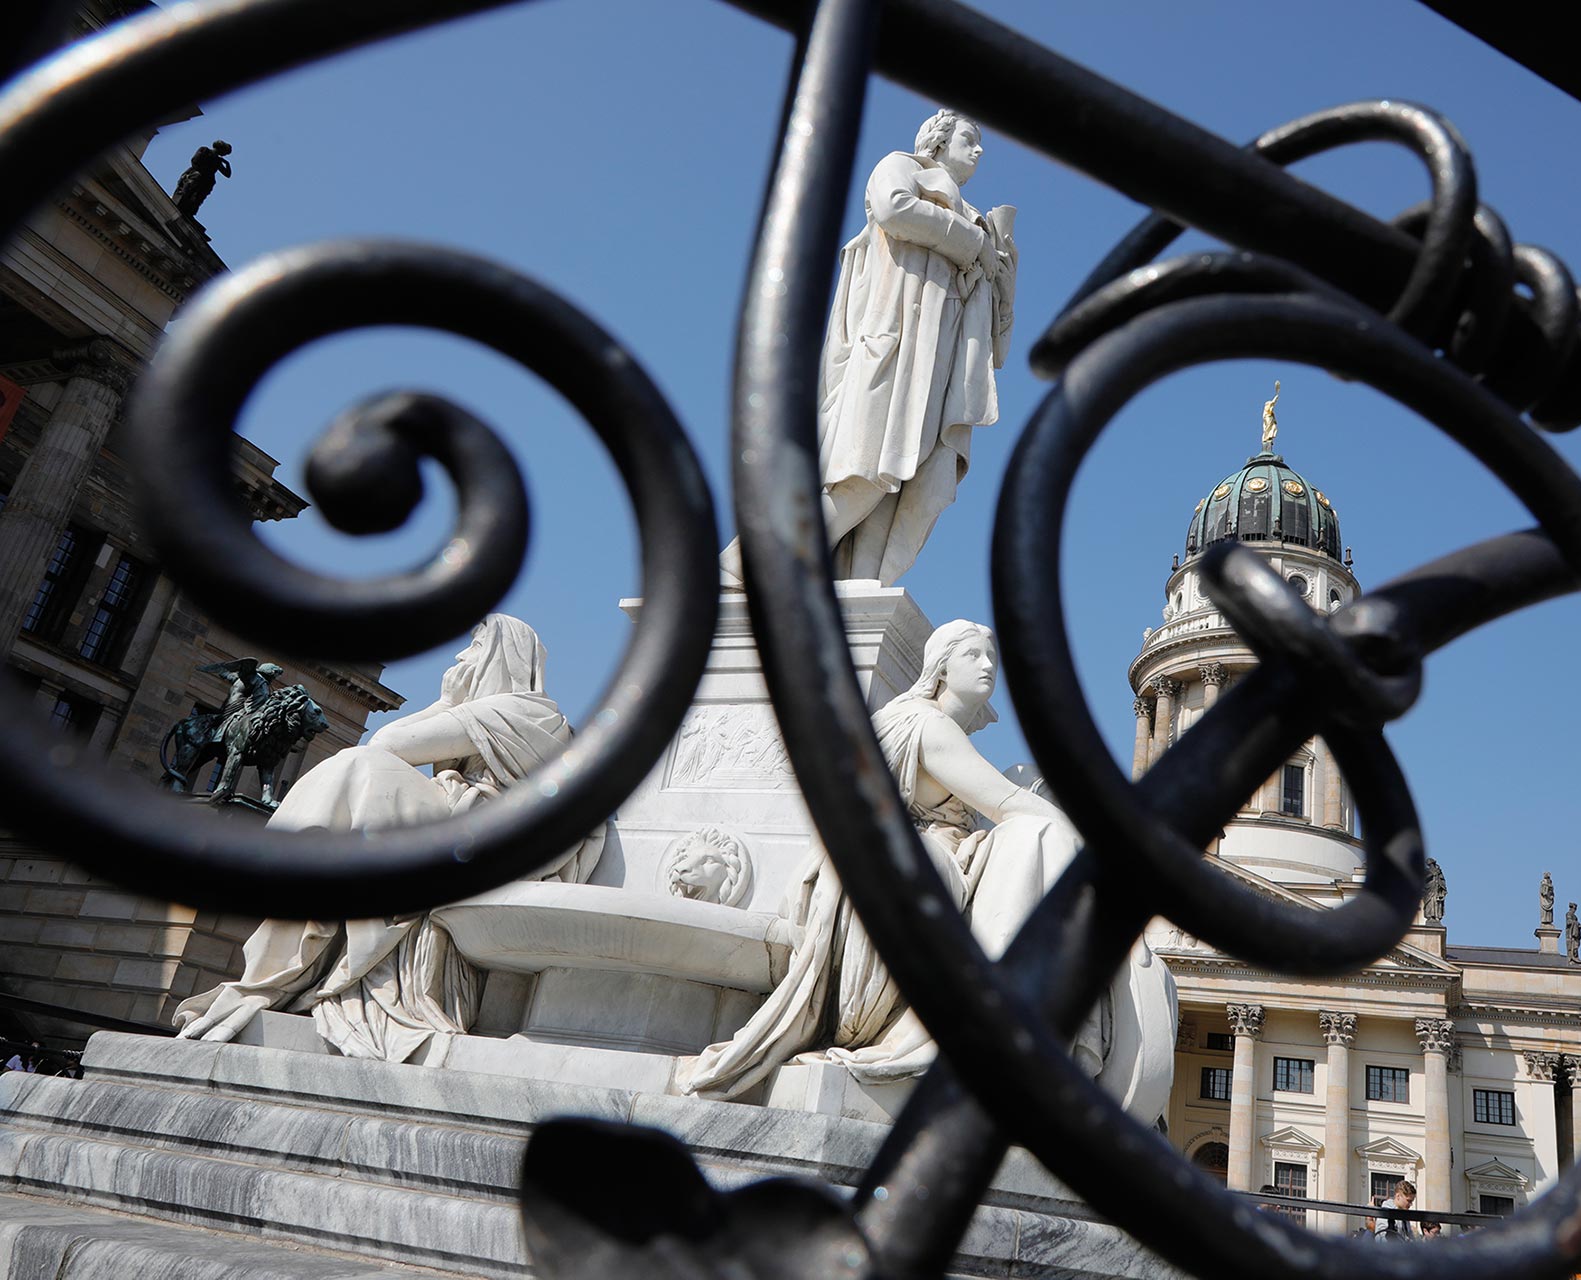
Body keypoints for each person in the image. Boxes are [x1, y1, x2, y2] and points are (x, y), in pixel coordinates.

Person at [676, 620, 1175, 1116]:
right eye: (973, 656)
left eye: (992, 658)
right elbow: (1006, 804)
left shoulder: (925, 725)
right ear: (939, 667)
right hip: (903, 865)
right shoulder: (926, 725)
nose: (987, 667)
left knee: (1035, 827)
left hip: (911, 861)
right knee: (1040, 833)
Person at [173, 615, 603, 1062]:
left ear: (501, 656)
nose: (460, 657)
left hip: (482, 839)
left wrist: (447, 702)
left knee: (359, 767)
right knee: (358, 780)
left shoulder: (519, 709)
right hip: (472, 832)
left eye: (473, 647)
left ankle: (285, 939)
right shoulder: (526, 714)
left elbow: (389, 743)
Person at [719, 109, 1018, 588]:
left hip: (939, 371)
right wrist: (969, 243)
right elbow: (894, 208)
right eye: (969, 138)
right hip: (894, 346)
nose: (979, 150)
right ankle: (753, 561)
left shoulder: (977, 223)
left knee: (907, 483)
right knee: (866, 468)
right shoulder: (903, 167)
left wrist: (1000, 268)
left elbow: (996, 344)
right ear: (939, 141)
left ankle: (859, 588)